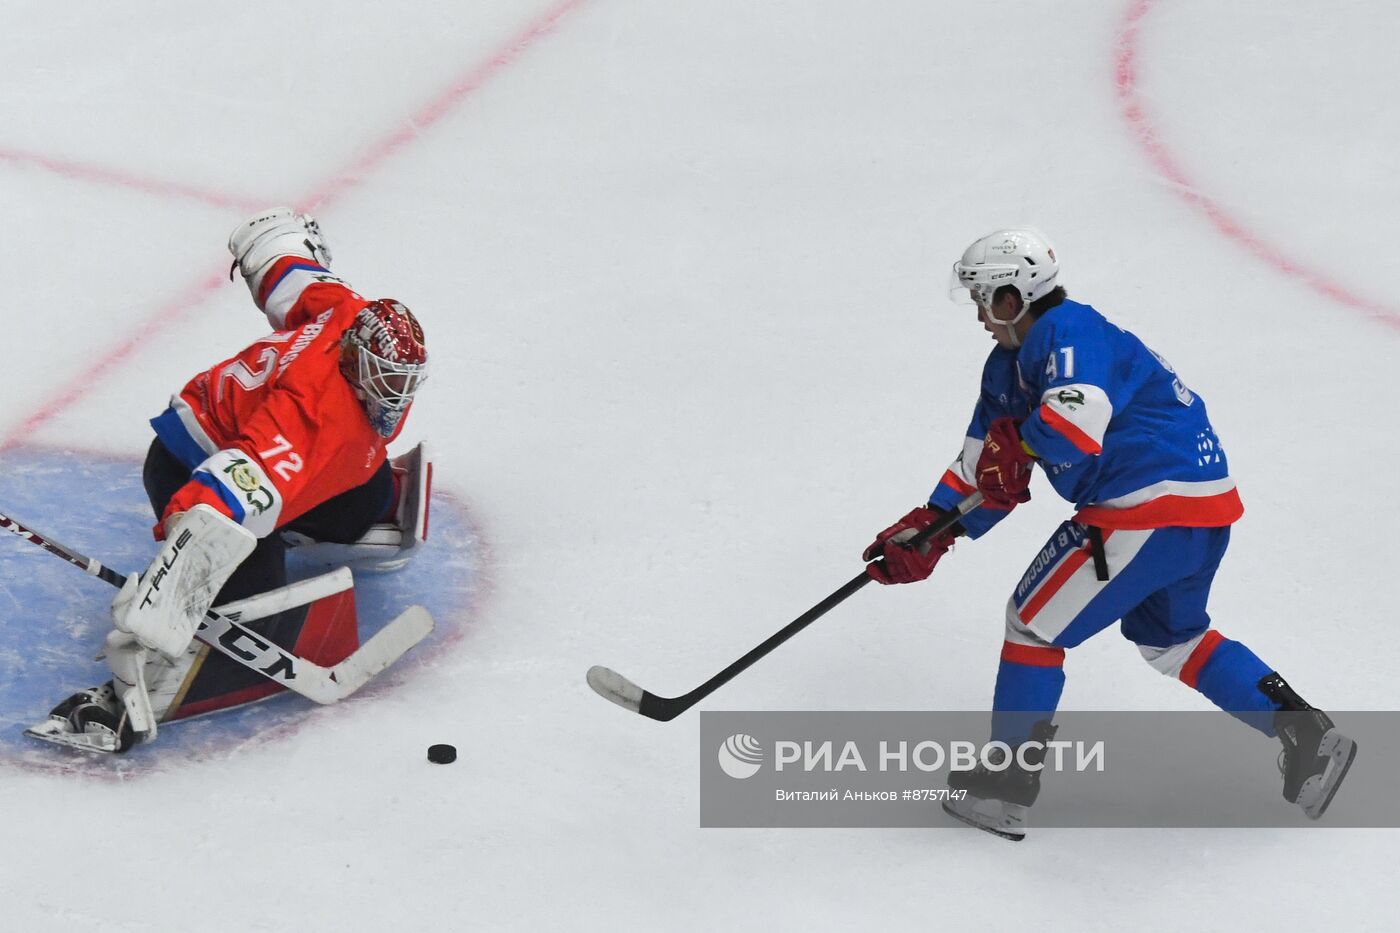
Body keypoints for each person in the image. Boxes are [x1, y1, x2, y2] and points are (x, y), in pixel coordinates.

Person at [862, 228, 1356, 839]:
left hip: (1145, 506)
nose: (981, 316)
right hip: (1198, 513)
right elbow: (982, 468)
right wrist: (930, 528)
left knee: (1032, 624)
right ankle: (1307, 736)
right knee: (1173, 639)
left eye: (986, 299)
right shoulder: (1008, 368)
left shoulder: (1068, 332)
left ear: (1016, 297)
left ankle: (1005, 786)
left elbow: (1075, 421)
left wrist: (1016, 447)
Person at [28, 208, 431, 753]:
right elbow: (225, 495)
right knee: (247, 591)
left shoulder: (348, 314)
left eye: (404, 382)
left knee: (369, 493)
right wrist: (174, 580)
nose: (395, 394)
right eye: (385, 379)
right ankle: (132, 696)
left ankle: (310, 520)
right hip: (194, 459)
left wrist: (271, 243)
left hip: (264, 448)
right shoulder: (308, 421)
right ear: (357, 359)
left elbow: (291, 274)